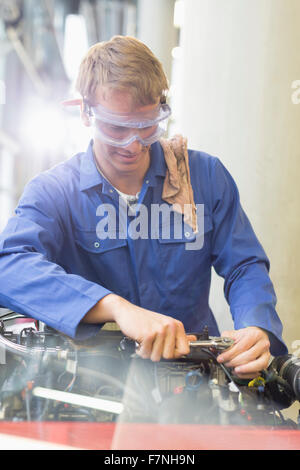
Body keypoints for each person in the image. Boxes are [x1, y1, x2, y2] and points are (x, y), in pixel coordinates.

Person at [0, 35, 287, 379]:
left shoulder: (204, 178)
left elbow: (244, 265)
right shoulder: (54, 192)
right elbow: (10, 267)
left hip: (191, 380)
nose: (134, 144)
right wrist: (114, 308)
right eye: (117, 128)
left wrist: (257, 327)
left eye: (147, 125)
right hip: (91, 385)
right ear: (85, 112)